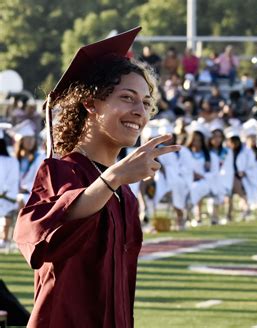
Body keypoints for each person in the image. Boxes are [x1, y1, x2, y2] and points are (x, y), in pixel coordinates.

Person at [13, 27, 180, 327]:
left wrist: (116, 179)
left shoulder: (126, 194)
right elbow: (42, 242)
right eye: (127, 98)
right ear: (90, 103)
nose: (139, 111)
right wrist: (114, 177)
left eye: (145, 102)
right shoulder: (60, 171)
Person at [0, 123, 20, 248]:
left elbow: (12, 179)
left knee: (5, 217)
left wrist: (3, 191)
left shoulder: (11, 161)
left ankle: (5, 239)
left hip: (5, 196)